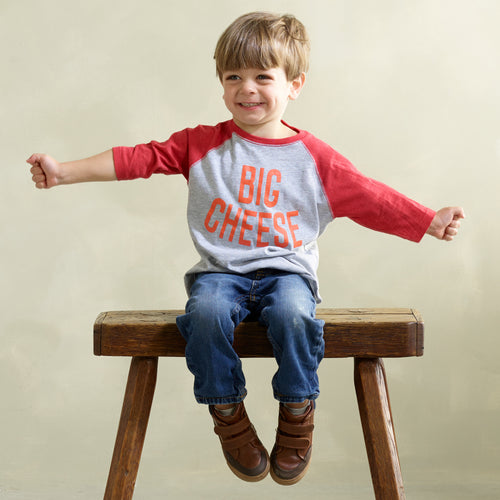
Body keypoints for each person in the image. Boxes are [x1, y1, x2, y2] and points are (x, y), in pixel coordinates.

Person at [27, 12, 464, 486]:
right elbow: (139, 158)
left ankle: (297, 408)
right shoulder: (202, 144)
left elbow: (371, 197)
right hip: (221, 273)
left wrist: (426, 220)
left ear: (294, 85)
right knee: (207, 314)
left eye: (262, 76)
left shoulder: (315, 159)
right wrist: (64, 170)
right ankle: (227, 411)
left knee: (295, 316)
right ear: (221, 84)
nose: (247, 87)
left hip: (287, 273)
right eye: (233, 76)